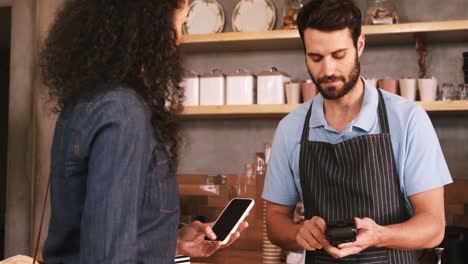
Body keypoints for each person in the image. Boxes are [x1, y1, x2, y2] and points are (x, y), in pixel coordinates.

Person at [40, 0, 248, 263]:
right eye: (177, 26)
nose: (179, 40)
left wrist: (172, 244)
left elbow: (103, 231)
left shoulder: (82, 106)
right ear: (148, 26)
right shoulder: (124, 111)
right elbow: (108, 255)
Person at [262, 0, 452, 263]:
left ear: (359, 44)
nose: (327, 70)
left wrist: (379, 235)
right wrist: (298, 232)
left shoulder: (408, 119)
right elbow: (274, 222)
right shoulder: (291, 128)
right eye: (315, 58)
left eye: (338, 55)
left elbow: (433, 226)